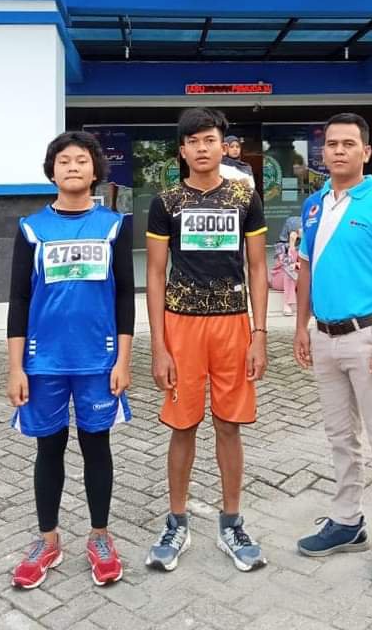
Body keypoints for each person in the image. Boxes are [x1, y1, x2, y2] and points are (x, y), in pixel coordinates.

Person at [293, 112, 372, 585]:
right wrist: (301, 327)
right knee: (340, 437)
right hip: (324, 338)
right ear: (322, 152)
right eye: (331, 144)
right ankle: (347, 521)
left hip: (369, 338)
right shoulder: (314, 205)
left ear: (366, 151)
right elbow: (305, 269)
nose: (338, 151)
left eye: (348, 144)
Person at [7, 130, 134, 589]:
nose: (73, 166)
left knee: (97, 447)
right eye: (64, 161)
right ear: (52, 171)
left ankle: (100, 536)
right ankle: (48, 541)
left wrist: (123, 360)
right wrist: (15, 367)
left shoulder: (115, 226)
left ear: (96, 170)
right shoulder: (31, 228)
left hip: (99, 362)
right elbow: (19, 300)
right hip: (43, 363)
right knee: (49, 448)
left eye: (82, 160)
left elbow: (125, 297)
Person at [145, 108, 269, 573]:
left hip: (233, 324)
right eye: (193, 141)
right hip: (181, 325)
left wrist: (259, 334)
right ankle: (176, 522)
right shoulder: (166, 202)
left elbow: (257, 266)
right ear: (182, 151)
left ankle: (232, 522)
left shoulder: (244, 197)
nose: (202, 148)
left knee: (229, 425)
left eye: (209, 140)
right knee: (183, 426)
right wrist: (159, 346)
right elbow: (154, 273)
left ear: (224, 146)